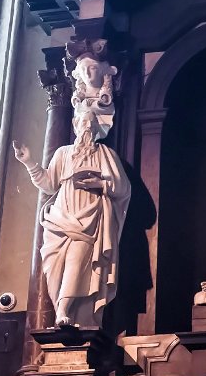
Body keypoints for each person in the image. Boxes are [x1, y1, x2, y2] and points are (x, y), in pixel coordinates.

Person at [13, 97, 132, 329]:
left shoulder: (106, 154)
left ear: (96, 129)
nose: (87, 126)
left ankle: (64, 311)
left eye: (91, 123)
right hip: (60, 218)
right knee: (53, 268)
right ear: (76, 125)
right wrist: (28, 162)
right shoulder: (63, 153)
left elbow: (123, 188)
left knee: (77, 263)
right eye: (83, 122)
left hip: (89, 221)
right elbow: (49, 184)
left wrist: (100, 184)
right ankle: (61, 310)